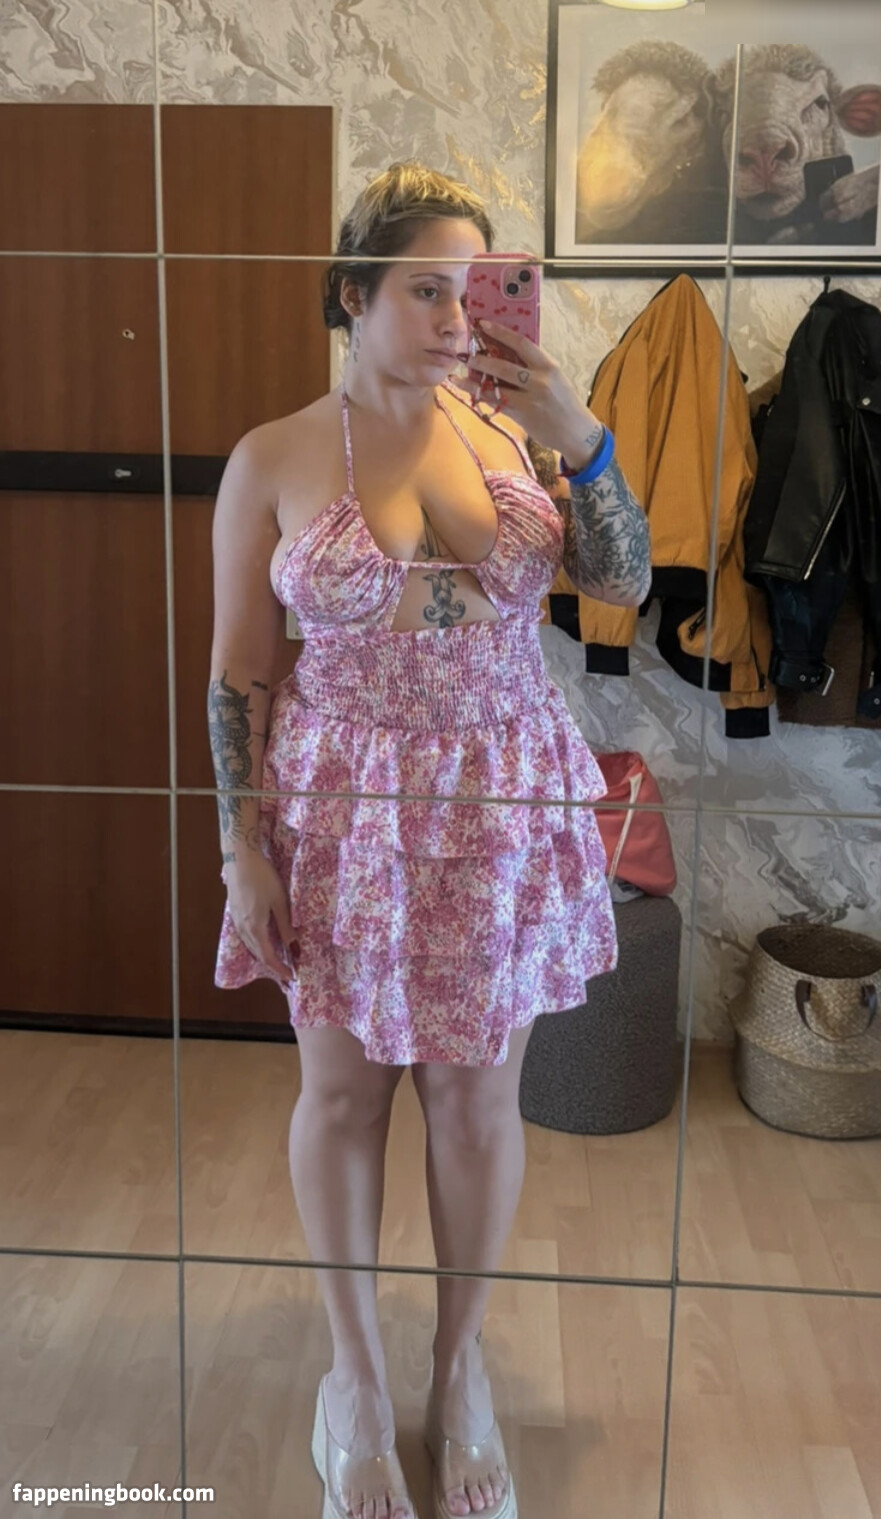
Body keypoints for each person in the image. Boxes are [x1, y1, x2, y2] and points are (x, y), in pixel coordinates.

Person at [208, 163, 650, 1519]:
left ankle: (459, 1376)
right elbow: (240, 672)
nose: (461, 318)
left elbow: (623, 581)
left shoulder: (518, 435)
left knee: (473, 1101)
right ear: (353, 294)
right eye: (427, 290)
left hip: (502, 802)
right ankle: (353, 1380)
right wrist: (240, 848)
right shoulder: (273, 456)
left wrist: (579, 434)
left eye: (478, 290)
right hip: (341, 812)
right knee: (344, 1096)